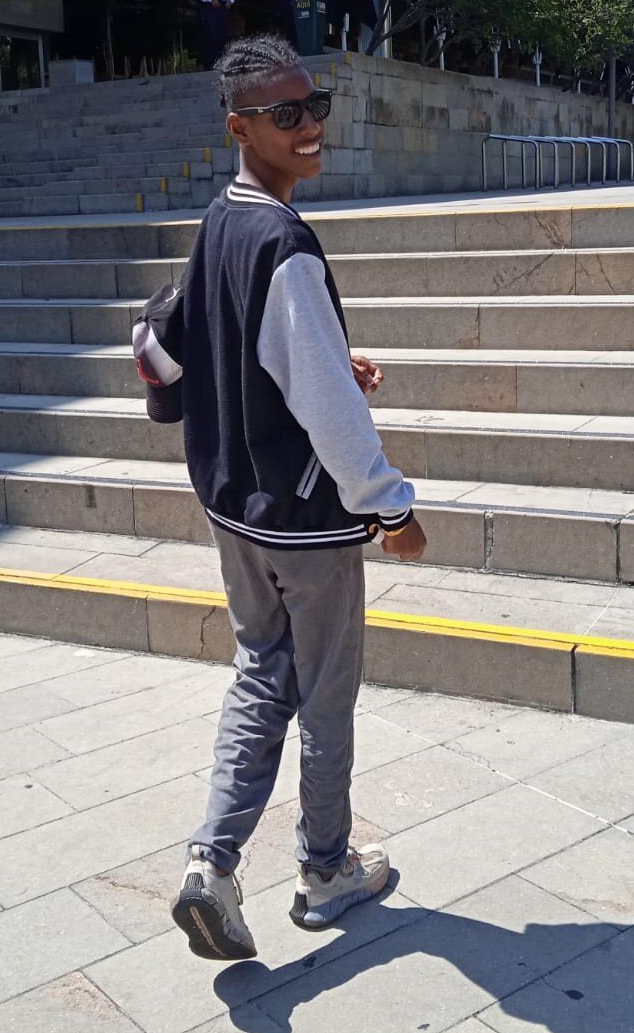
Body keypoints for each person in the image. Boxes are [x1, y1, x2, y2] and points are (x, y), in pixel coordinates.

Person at [170, 34, 427, 961]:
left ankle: (210, 863)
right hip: (305, 521)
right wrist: (390, 509)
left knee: (259, 673)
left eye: (314, 105)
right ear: (239, 127)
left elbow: (179, 347)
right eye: (285, 114)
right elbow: (329, 413)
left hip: (232, 507)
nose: (309, 124)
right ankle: (325, 870)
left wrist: (319, 358)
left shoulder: (220, 220)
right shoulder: (283, 242)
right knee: (322, 698)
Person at [200, 0, 234, 70]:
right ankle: (210, 67)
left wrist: (231, 0)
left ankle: (221, 65)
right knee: (211, 36)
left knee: (222, 37)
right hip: (210, 6)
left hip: (224, 6)